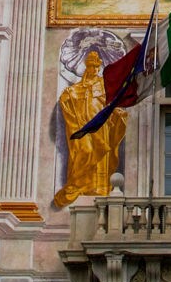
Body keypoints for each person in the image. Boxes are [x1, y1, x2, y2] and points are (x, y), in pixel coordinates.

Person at [54, 51, 127, 206]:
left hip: (101, 126)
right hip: (83, 125)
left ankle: (100, 188)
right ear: (87, 66)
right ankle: (79, 184)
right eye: (91, 66)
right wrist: (68, 95)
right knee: (84, 151)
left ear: (99, 67)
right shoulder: (79, 86)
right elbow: (70, 96)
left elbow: (110, 103)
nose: (93, 69)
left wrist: (117, 112)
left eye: (96, 66)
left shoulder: (103, 84)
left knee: (100, 156)